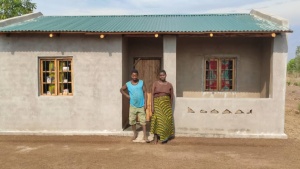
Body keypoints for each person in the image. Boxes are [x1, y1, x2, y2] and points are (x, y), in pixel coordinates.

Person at [120, 69, 149, 142]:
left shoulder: (141, 82)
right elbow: (121, 90)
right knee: (132, 120)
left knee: (143, 121)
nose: (134, 77)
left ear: (137, 75)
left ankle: (145, 136)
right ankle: (135, 134)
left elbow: (145, 92)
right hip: (133, 105)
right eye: (133, 75)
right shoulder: (128, 84)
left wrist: (145, 103)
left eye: (135, 75)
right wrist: (127, 96)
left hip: (141, 105)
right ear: (131, 76)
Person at [150, 70, 174, 144]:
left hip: (166, 106)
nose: (162, 76)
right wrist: (152, 106)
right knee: (157, 120)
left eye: (163, 75)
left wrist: (170, 106)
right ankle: (156, 137)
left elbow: (171, 96)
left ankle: (165, 137)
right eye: (160, 75)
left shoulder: (169, 85)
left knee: (166, 121)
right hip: (157, 104)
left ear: (166, 75)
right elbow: (152, 95)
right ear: (159, 76)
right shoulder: (155, 83)